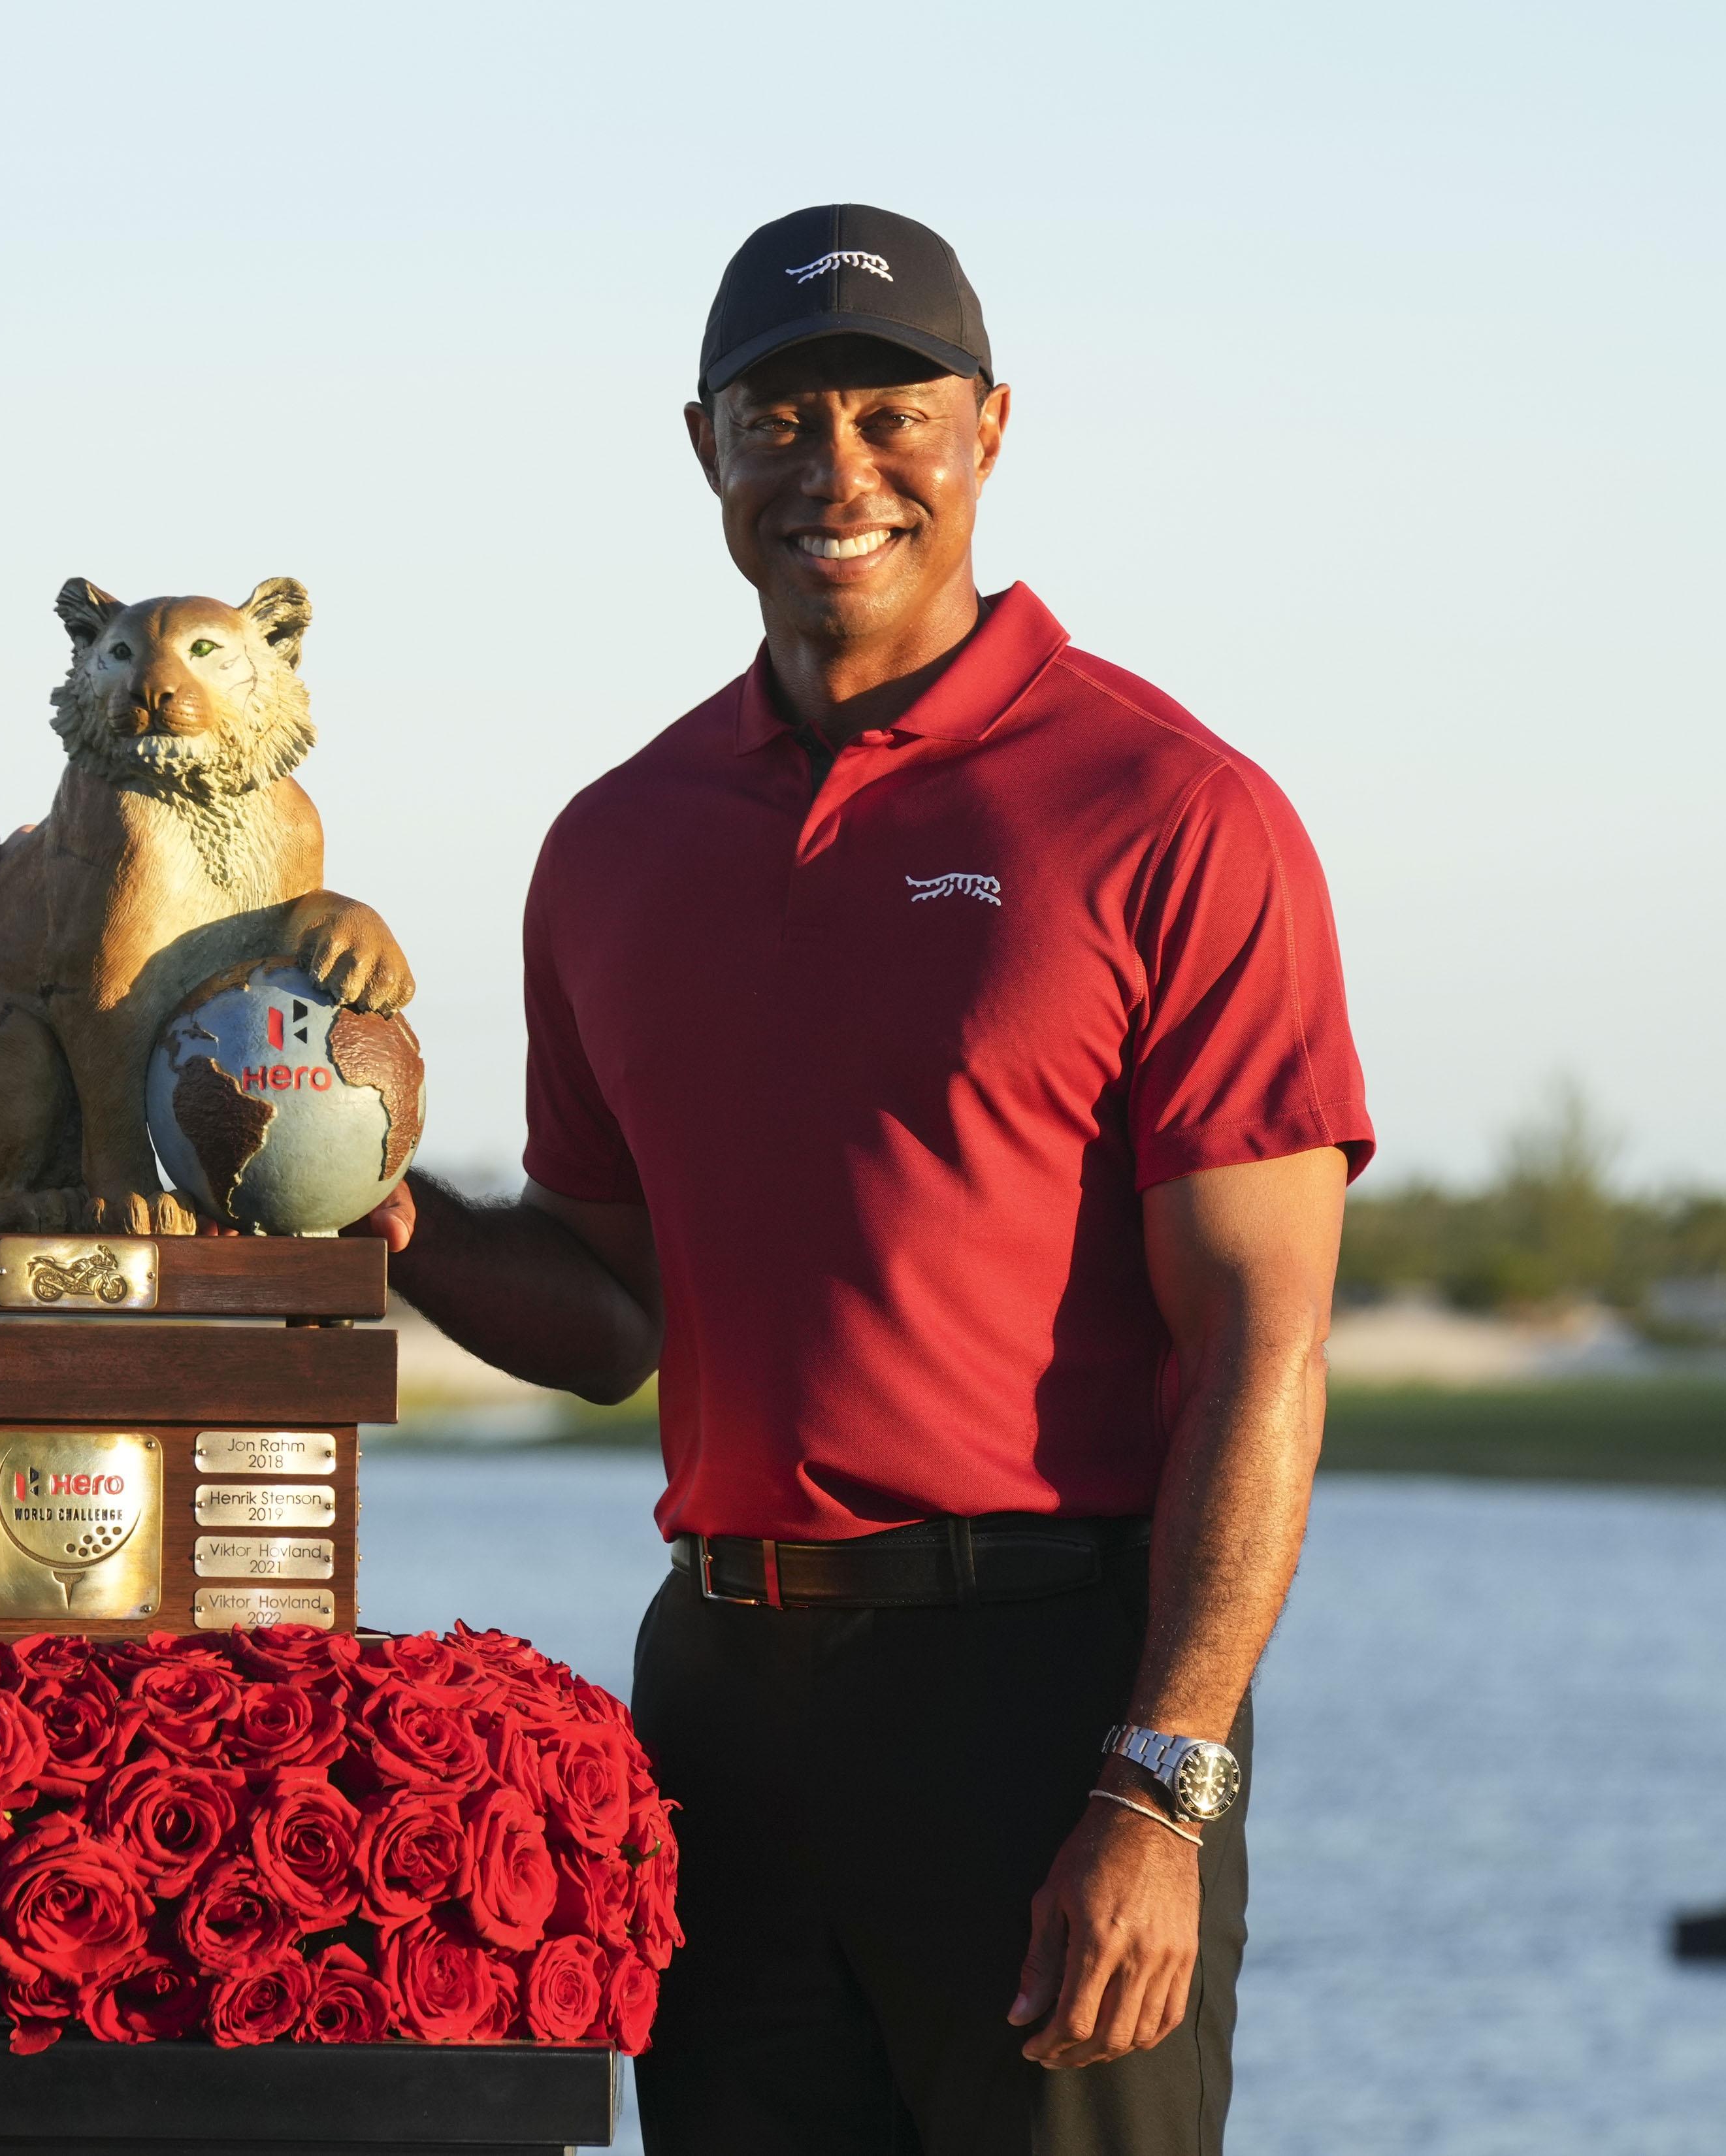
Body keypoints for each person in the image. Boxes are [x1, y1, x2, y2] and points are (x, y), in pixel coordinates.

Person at [361, 204, 1371, 2153]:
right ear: (703, 446)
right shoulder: (614, 847)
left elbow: (1264, 1355)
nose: (838, 470)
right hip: (723, 1707)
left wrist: (1160, 1788)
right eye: (780, 416)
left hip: (1050, 1685)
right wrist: (392, 1221)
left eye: (893, 411)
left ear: (991, 425)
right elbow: (609, 1310)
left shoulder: (1173, 812)